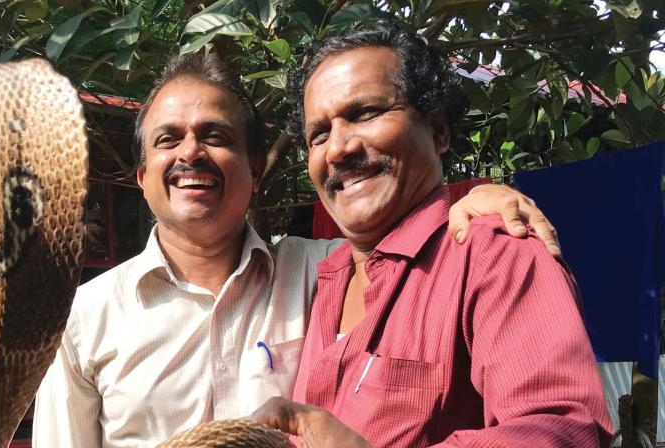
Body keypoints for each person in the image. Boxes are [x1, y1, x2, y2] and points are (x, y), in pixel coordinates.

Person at [33, 52, 562, 447]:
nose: (190, 152)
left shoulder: (323, 270)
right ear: (143, 175)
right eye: (168, 140)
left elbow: (404, 226)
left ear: (256, 171)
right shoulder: (85, 317)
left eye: (215, 136)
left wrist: (472, 196)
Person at [251, 26, 612, 448]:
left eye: (365, 113)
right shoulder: (321, 275)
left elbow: (564, 430)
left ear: (439, 131)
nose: (337, 149)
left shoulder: (493, 252)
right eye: (319, 134)